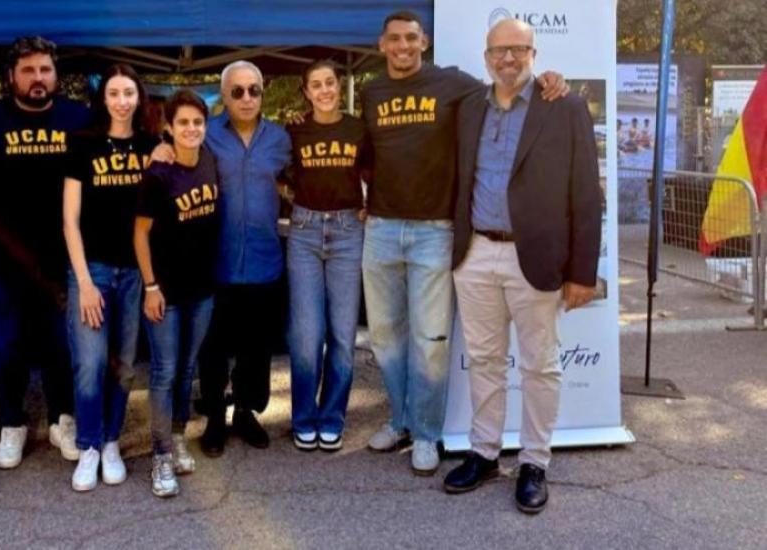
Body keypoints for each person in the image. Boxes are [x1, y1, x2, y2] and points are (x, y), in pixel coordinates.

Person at [359, 10, 568, 475]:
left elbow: (508, 84)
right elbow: (367, 153)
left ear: (424, 42)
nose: (403, 46)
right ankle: (400, 421)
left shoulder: (454, 84)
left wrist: (549, 79)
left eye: (411, 38)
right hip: (382, 228)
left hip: (435, 230)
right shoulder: (371, 91)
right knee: (385, 336)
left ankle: (426, 433)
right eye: (394, 39)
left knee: (431, 340)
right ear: (382, 45)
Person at [442, 19, 601, 515]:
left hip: (536, 256)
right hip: (475, 253)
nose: (507, 59)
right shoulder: (469, 107)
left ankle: (534, 461)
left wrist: (583, 272)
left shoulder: (565, 107)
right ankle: (485, 453)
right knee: (484, 360)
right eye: (498, 51)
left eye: (517, 49)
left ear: (534, 53)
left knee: (540, 365)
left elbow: (586, 194)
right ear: (486, 57)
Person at [0, 36, 90, 468]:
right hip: (2, 258)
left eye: (45, 70)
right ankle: (12, 421)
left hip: (61, 258)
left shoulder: (78, 117)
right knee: (7, 346)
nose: (37, 78)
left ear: (56, 75)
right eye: (28, 71)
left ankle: (63, 418)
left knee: (62, 343)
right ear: (11, 77)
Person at [62, 64, 158, 491]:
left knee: (123, 364)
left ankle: (112, 442)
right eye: (114, 93)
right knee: (90, 362)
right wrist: (84, 282)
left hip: (135, 272)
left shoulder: (152, 145)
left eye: (129, 93)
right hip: (93, 270)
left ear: (139, 98)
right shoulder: (82, 145)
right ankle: (88, 445)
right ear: (104, 100)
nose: (122, 101)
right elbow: (70, 220)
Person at [194, 61, 291, 456]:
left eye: (254, 90)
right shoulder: (206, 135)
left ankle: (246, 412)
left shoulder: (281, 139)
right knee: (213, 348)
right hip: (217, 261)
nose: (247, 98)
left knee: (256, 348)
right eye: (237, 91)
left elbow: (300, 179)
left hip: (265, 260)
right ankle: (215, 417)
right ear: (224, 96)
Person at [134, 89, 220, 497]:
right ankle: (160, 454)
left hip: (202, 289)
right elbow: (140, 234)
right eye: (182, 122)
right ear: (168, 127)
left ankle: (178, 435)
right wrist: (150, 286)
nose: (191, 129)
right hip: (165, 292)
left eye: (197, 122)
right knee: (164, 372)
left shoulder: (210, 160)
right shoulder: (158, 174)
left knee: (187, 369)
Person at [285, 60, 368, 452]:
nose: (324, 91)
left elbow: (375, 172)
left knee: (342, 333)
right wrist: (290, 198)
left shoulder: (358, 128)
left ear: (339, 84)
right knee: (307, 335)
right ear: (306, 92)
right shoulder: (294, 129)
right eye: (315, 85)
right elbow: (279, 172)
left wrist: (370, 204)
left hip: (348, 232)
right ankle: (304, 417)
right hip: (304, 232)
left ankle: (332, 416)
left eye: (330, 82)